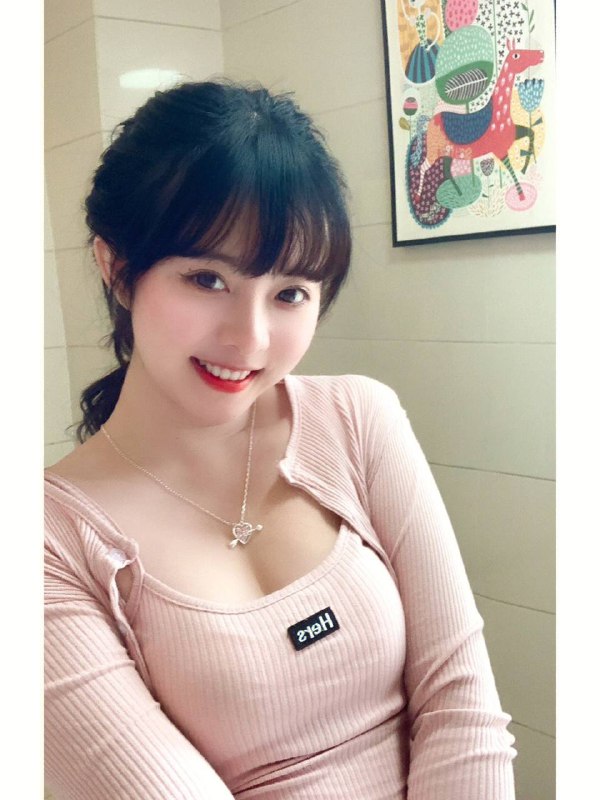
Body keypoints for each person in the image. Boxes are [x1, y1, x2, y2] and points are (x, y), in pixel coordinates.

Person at [44, 79, 516, 799]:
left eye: (290, 292)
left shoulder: (358, 419)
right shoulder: (45, 542)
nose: (251, 339)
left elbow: (463, 707)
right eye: (207, 279)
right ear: (117, 269)